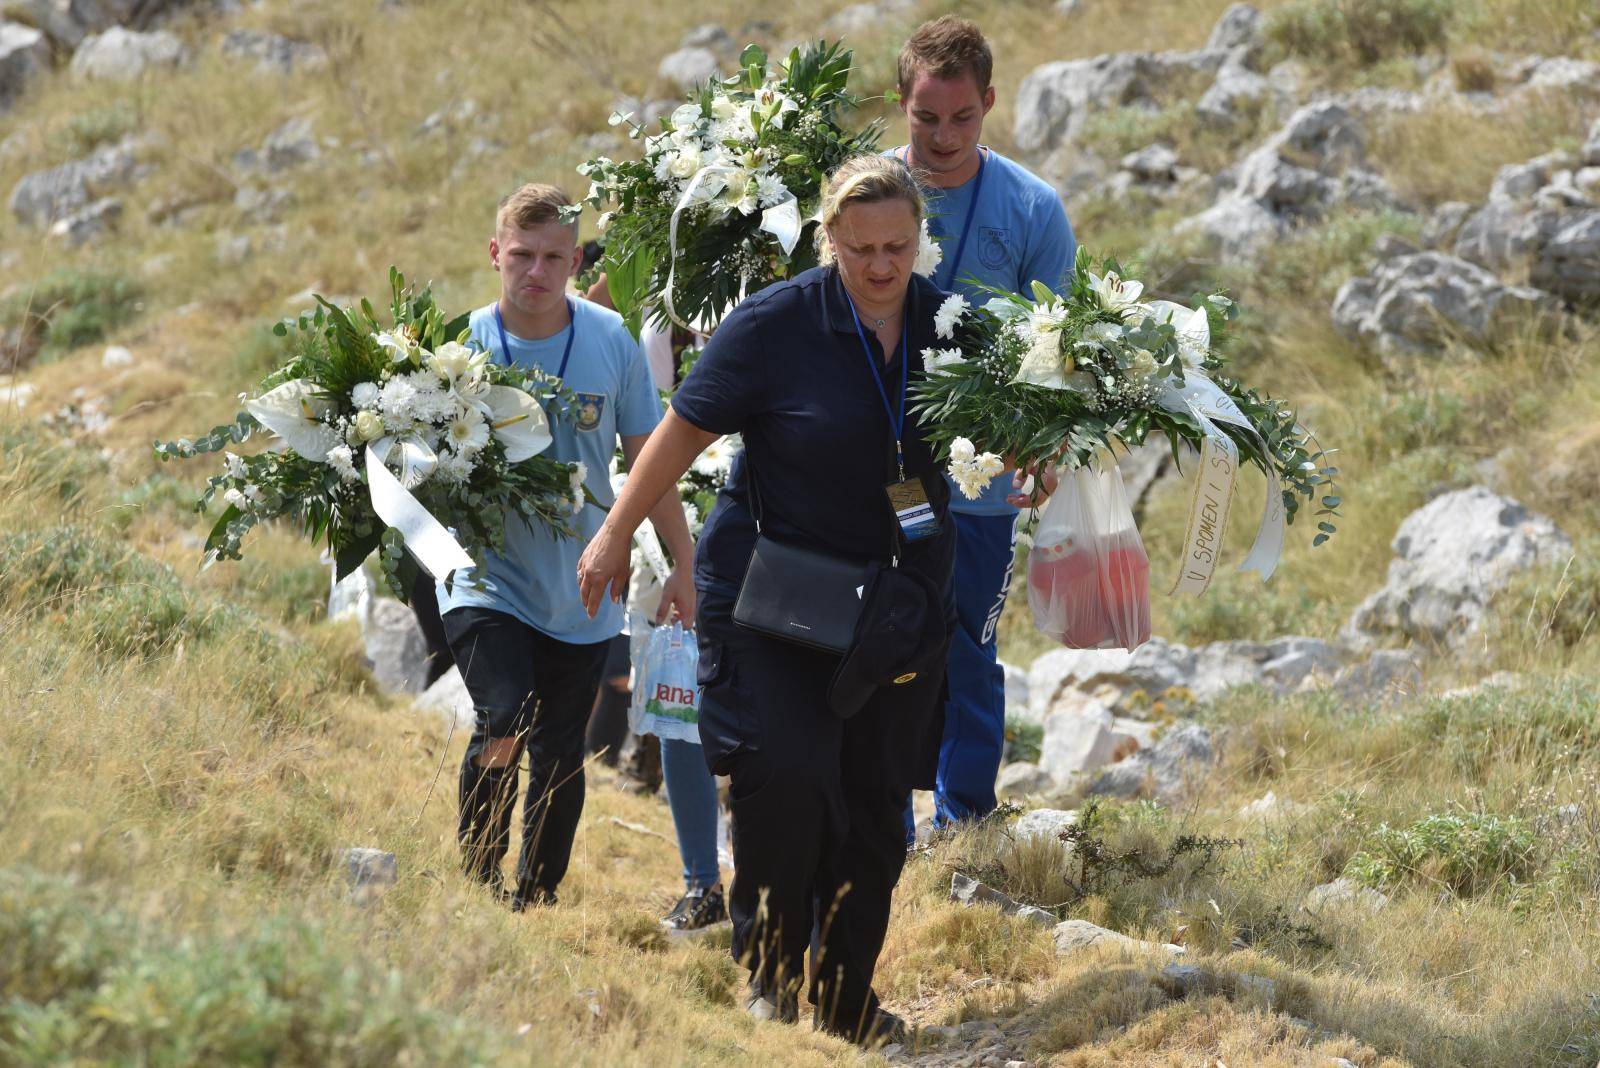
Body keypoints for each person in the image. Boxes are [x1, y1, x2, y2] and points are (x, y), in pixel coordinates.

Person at [576, 154, 955, 1046]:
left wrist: (1035, 467)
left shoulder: (955, 328)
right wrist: (614, 531)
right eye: (860, 248)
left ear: (918, 241)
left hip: (893, 608)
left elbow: (1009, 438)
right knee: (783, 782)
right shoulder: (775, 325)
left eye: (898, 246)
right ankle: (775, 977)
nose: (880, 266)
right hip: (772, 595)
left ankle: (845, 999)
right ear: (829, 240)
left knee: (871, 812)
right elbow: (677, 436)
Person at [441, 182, 695, 911]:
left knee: (558, 750)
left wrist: (682, 561)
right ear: (495, 254)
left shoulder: (611, 343)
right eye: (521, 255)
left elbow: (652, 462)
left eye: (554, 257)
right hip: (483, 579)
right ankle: (481, 885)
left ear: (577, 261)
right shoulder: (462, 346)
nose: (536, 272)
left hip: (583, 589)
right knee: (504, 721)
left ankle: (537, 895)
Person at [891, 16, 1076, 832]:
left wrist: (1045, 444)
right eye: (926, 118)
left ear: (990, 103)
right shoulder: (863, 195)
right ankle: (876, 815)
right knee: (884, 633)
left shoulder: (1032, 207)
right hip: (884, 471)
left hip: (983, 477)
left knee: (969, 644)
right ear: (902, 103)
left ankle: (962, 821)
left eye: (962, 118)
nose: (943, 137)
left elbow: (1057, 347)